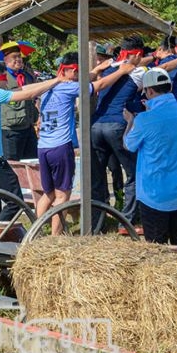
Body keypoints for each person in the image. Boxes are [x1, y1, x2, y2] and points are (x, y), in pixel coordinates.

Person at [35, 52, 140, 234]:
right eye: (77, 73)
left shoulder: (46, 89)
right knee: (62, 195)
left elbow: (84, 82)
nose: (78, 77)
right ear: (70, 70)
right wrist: (121, 71)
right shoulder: (68, 88)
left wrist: (97, 69)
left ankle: (35, 232)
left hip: (43, 147)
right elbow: (99, 84)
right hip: (60, 147)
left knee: (48, 193)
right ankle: (55, 237)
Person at [0, 63, 64, 221]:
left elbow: (23, 89)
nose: (7, 83)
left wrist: (54, 80)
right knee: (16, 202)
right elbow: (27, 95)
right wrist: (56, 81)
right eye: (4, 78)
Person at [124, 68, 177, 245]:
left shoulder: (144, 119)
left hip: (153, 193)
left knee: (156, 246)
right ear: (169, 87)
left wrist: (130, 122)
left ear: (149, 91)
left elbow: (129, 144)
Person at [90, 36, 150, 226]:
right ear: (138, 54)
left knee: (97, 176)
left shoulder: (107, 68)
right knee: (133, 173)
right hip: (118, 126)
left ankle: (96, 223)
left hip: (96, 126)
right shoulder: (139, 71)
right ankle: (127, 221)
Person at [0, 43, 39, 160]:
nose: (18, 60)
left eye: (19, 57)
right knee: (13, 164)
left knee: (32, 161)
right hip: (11, 129)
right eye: (14, 57)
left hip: (28, 126)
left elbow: (34, 97)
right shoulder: (1, 78)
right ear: (5, 60)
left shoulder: (27, 76)